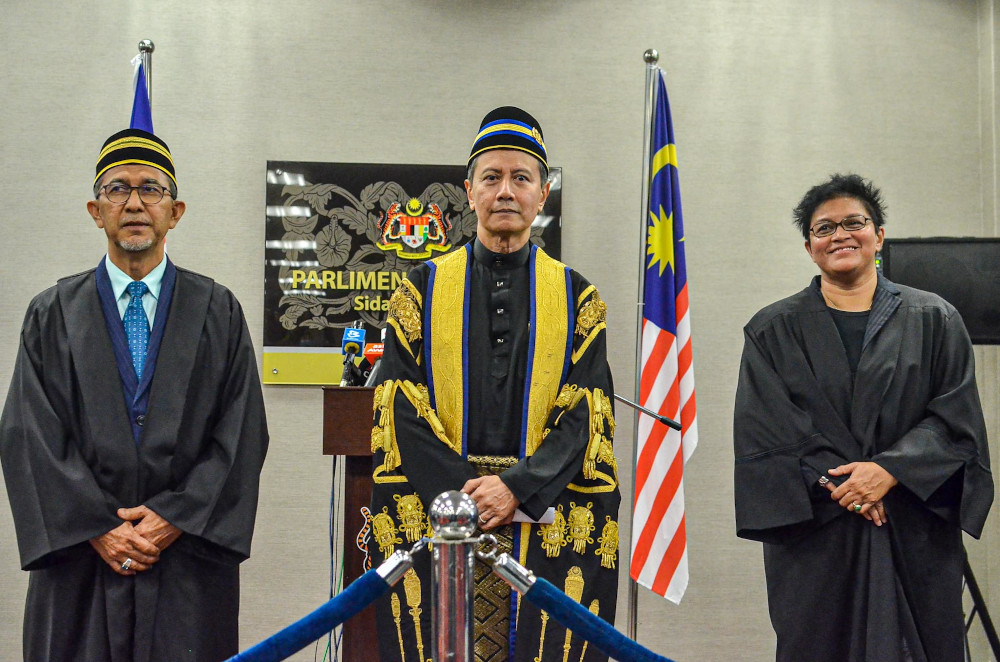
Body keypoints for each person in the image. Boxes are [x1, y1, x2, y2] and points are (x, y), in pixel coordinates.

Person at [0, 128, 269, 661]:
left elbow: (240, 435)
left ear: (176, 210)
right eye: (117, 188)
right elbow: (29, 434)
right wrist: (99, 525)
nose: (135, 202)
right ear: (96, 210)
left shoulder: (218, 312)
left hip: (185, 559)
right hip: (81, 562)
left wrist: (173, 518)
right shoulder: (52, 314)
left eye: (152, 188)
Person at [367, 107, 620, 662]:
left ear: (543, 193)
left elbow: (588, 413)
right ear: (469, 190)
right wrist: (465, 495)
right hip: (442, 515)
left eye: (521, 178)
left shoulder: (579, 297)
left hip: (542, 513)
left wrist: (517, 488)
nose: (506, 191)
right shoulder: (420, 289)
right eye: (492, 177)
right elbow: (396, 405)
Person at [733, 173, 993, 661]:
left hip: (913, 525)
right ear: (810, 247)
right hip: (817, 534)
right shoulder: (772, 330)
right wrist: (850, 489)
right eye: (824, 228)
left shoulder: (935, 319)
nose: (840, 235)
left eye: (854, 222)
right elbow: (767, 431)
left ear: (879, 235)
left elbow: (956, 421)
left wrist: (889, 470)